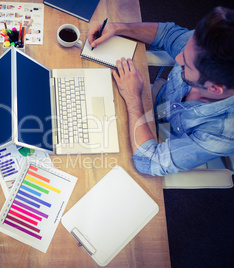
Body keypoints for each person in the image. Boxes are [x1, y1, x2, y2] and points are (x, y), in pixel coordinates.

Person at [88, 6, 234, 176]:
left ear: (214, 88)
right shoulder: (208, 46)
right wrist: (117, 28)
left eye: (186, 64)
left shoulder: (221, 134)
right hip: (151, 105)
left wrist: (133, 99)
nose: (178, 58)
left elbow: (148, 161)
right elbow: (166, 34)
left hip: (167, 142)